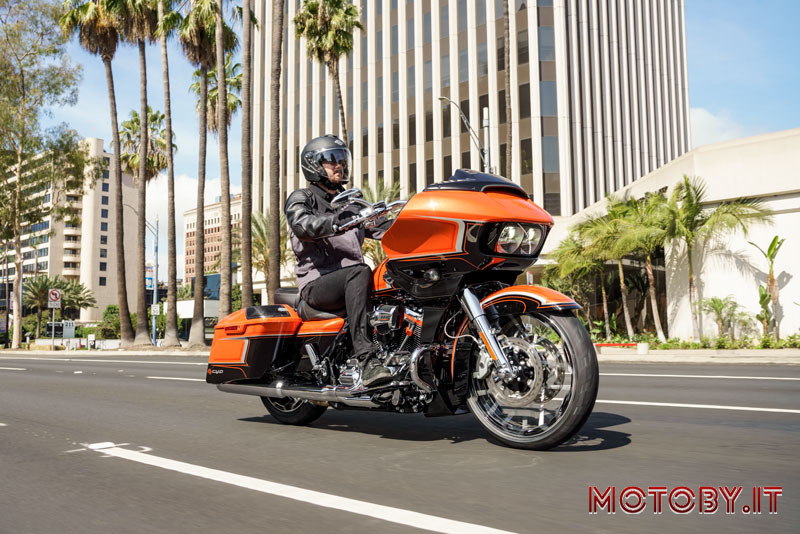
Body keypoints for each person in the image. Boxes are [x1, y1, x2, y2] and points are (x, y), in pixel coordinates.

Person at [284, 134, 392, 387]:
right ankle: (367, 361)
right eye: (332, 160)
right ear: (313, 165)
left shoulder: (353, 204)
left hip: (350, 282)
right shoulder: (303, 198)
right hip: (317, 285)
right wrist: (335, 222)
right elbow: (302, 224)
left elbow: (384, 228)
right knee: (360, 270)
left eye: (342, 159)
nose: (339, 165)